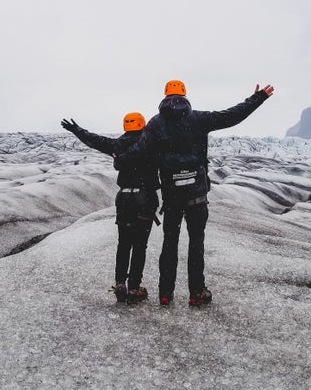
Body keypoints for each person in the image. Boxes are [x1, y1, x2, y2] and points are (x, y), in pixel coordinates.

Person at [115, 80, 274, 307]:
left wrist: (119, 159)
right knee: (196, 243)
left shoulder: (155, 124)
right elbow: (231, 116)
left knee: (170, 243)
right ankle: (196, 292)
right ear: (184, 95)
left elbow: (138, 150)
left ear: (165, 96)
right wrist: (257, 98)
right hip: (196, 194)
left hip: (172, 196)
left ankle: (165, 294)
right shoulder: (198, 118)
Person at [61, 112, 160, 304]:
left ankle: (120, 283)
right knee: (139, 246)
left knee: (124, 243)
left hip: (124, 199)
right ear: (143, 125)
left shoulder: (117, 145)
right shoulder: (151, 144)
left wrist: (76, 130)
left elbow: (94, 140)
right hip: (145, 199)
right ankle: (134, 288)